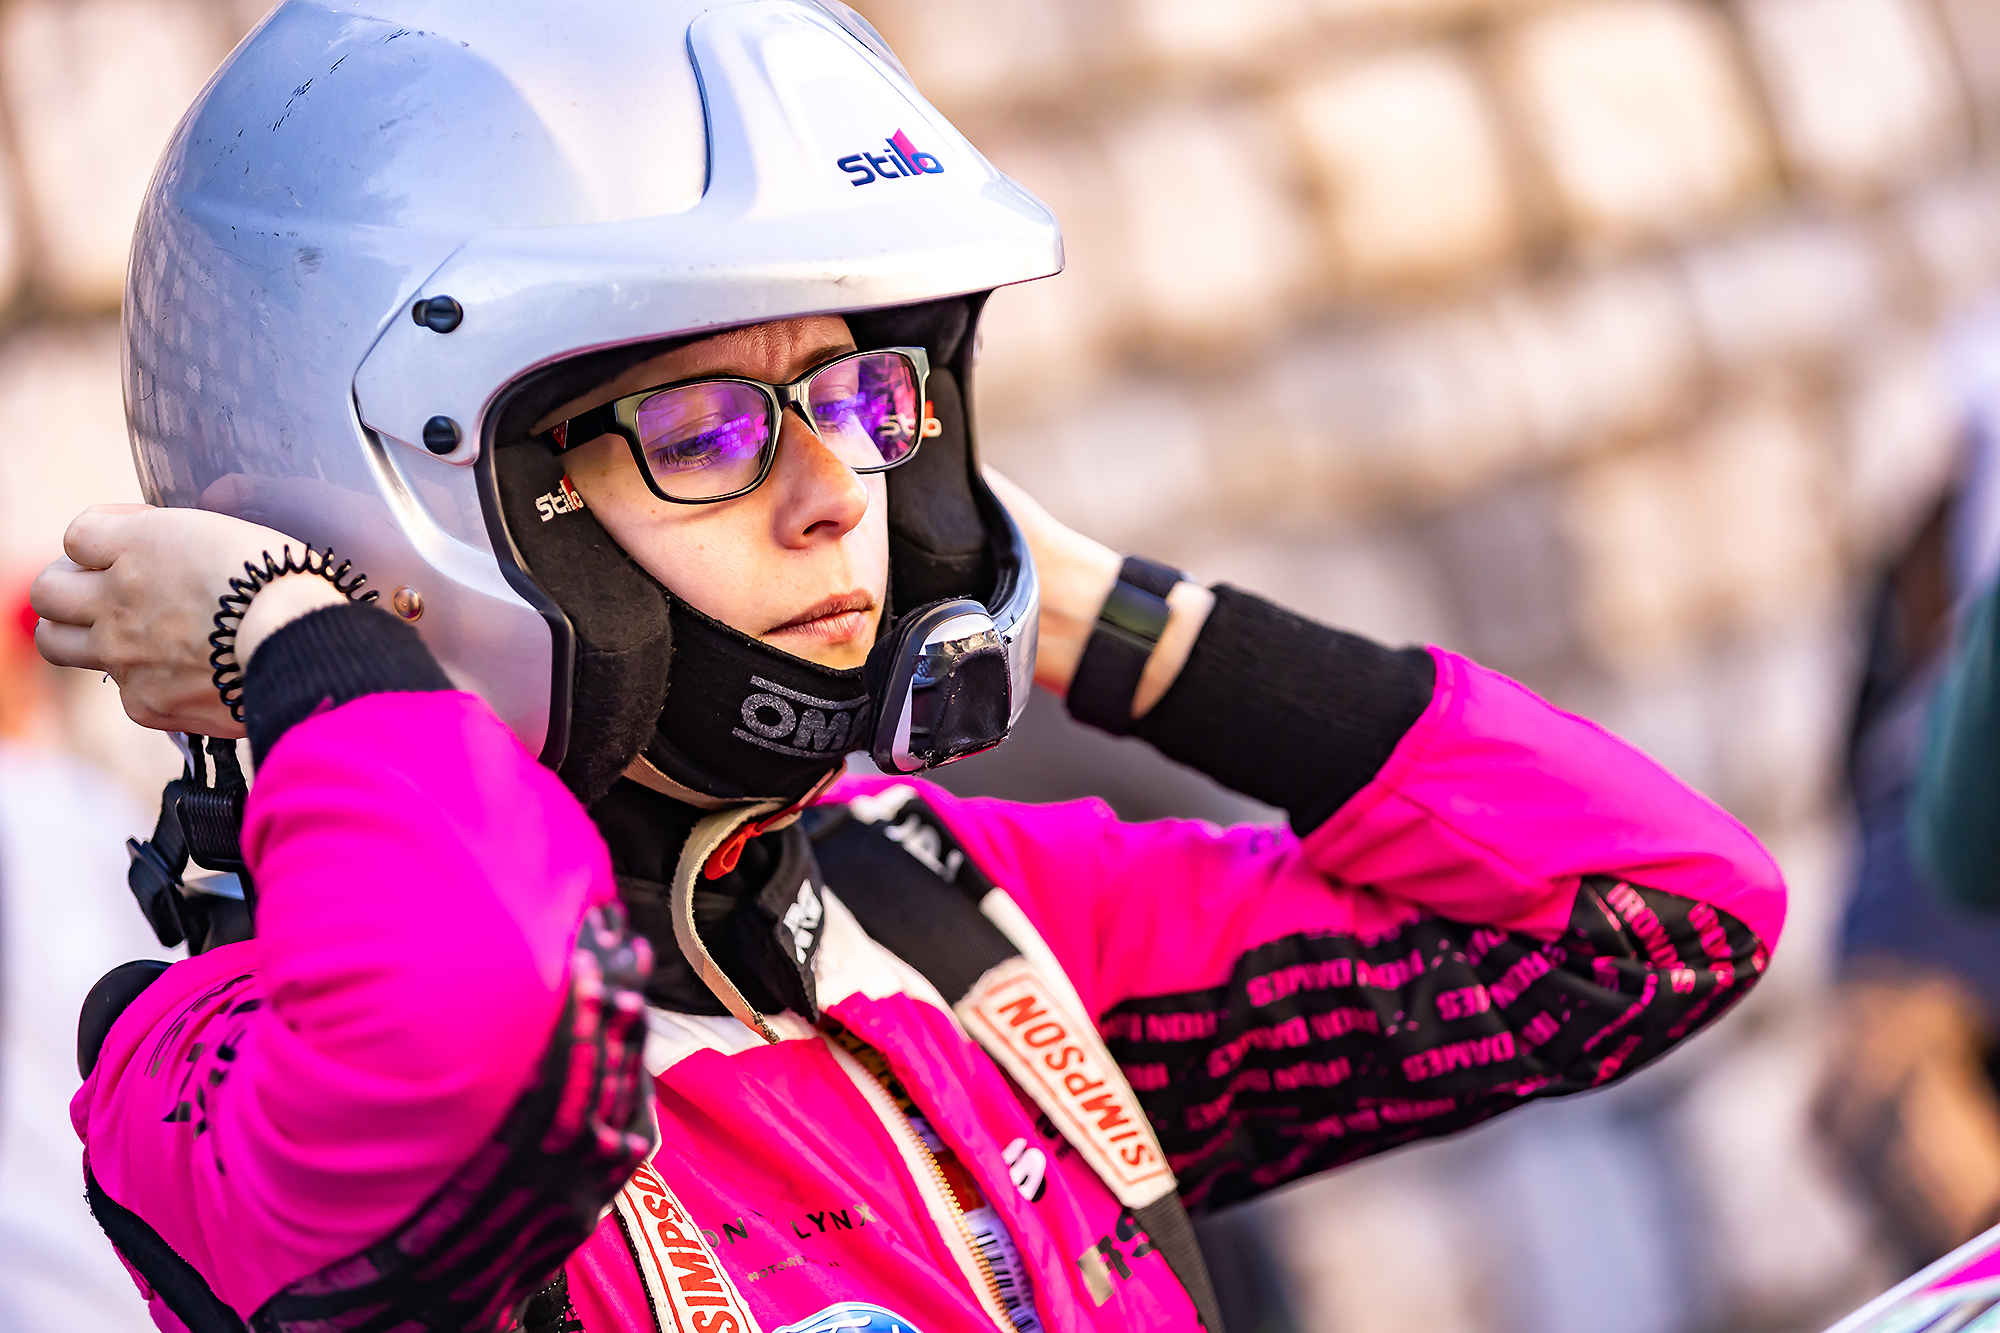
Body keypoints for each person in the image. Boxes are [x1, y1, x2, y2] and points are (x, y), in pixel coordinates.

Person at [30, 2, 1786, 1330]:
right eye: (704, 426)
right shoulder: (216, 1074)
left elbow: (1649, 920)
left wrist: (1063, 597)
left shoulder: (950, 921)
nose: (839, 496)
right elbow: (498, 1023)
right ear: (427, 508)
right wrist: (310, 640)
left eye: (871, 398)